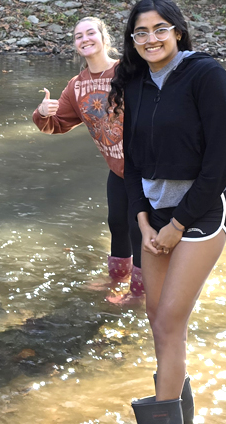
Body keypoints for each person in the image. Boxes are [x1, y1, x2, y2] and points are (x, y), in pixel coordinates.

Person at [108, 0, 226, 424]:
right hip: (153, 215)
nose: (151, 39)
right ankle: (180, 420)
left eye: (160, 29)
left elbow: (223, 161)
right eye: (141, 32)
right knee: (157, 322)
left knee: (170, 321)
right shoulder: (135, 81)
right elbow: (133, 161)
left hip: (203, 211)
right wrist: (142, 222)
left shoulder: (206, 75)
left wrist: (177, 225)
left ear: (178, 31)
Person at [33, 17, 144, 299]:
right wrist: (43, 112)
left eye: (90, 33)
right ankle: (117, 281)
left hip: (147, 168)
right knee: (117, 223)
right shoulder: (76, 86)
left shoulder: (129, 70)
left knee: (138, 228)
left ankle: (140, 291)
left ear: (104, 38)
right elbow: (56, 124)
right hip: (117, 170)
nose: (85, 39)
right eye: (78, 36)